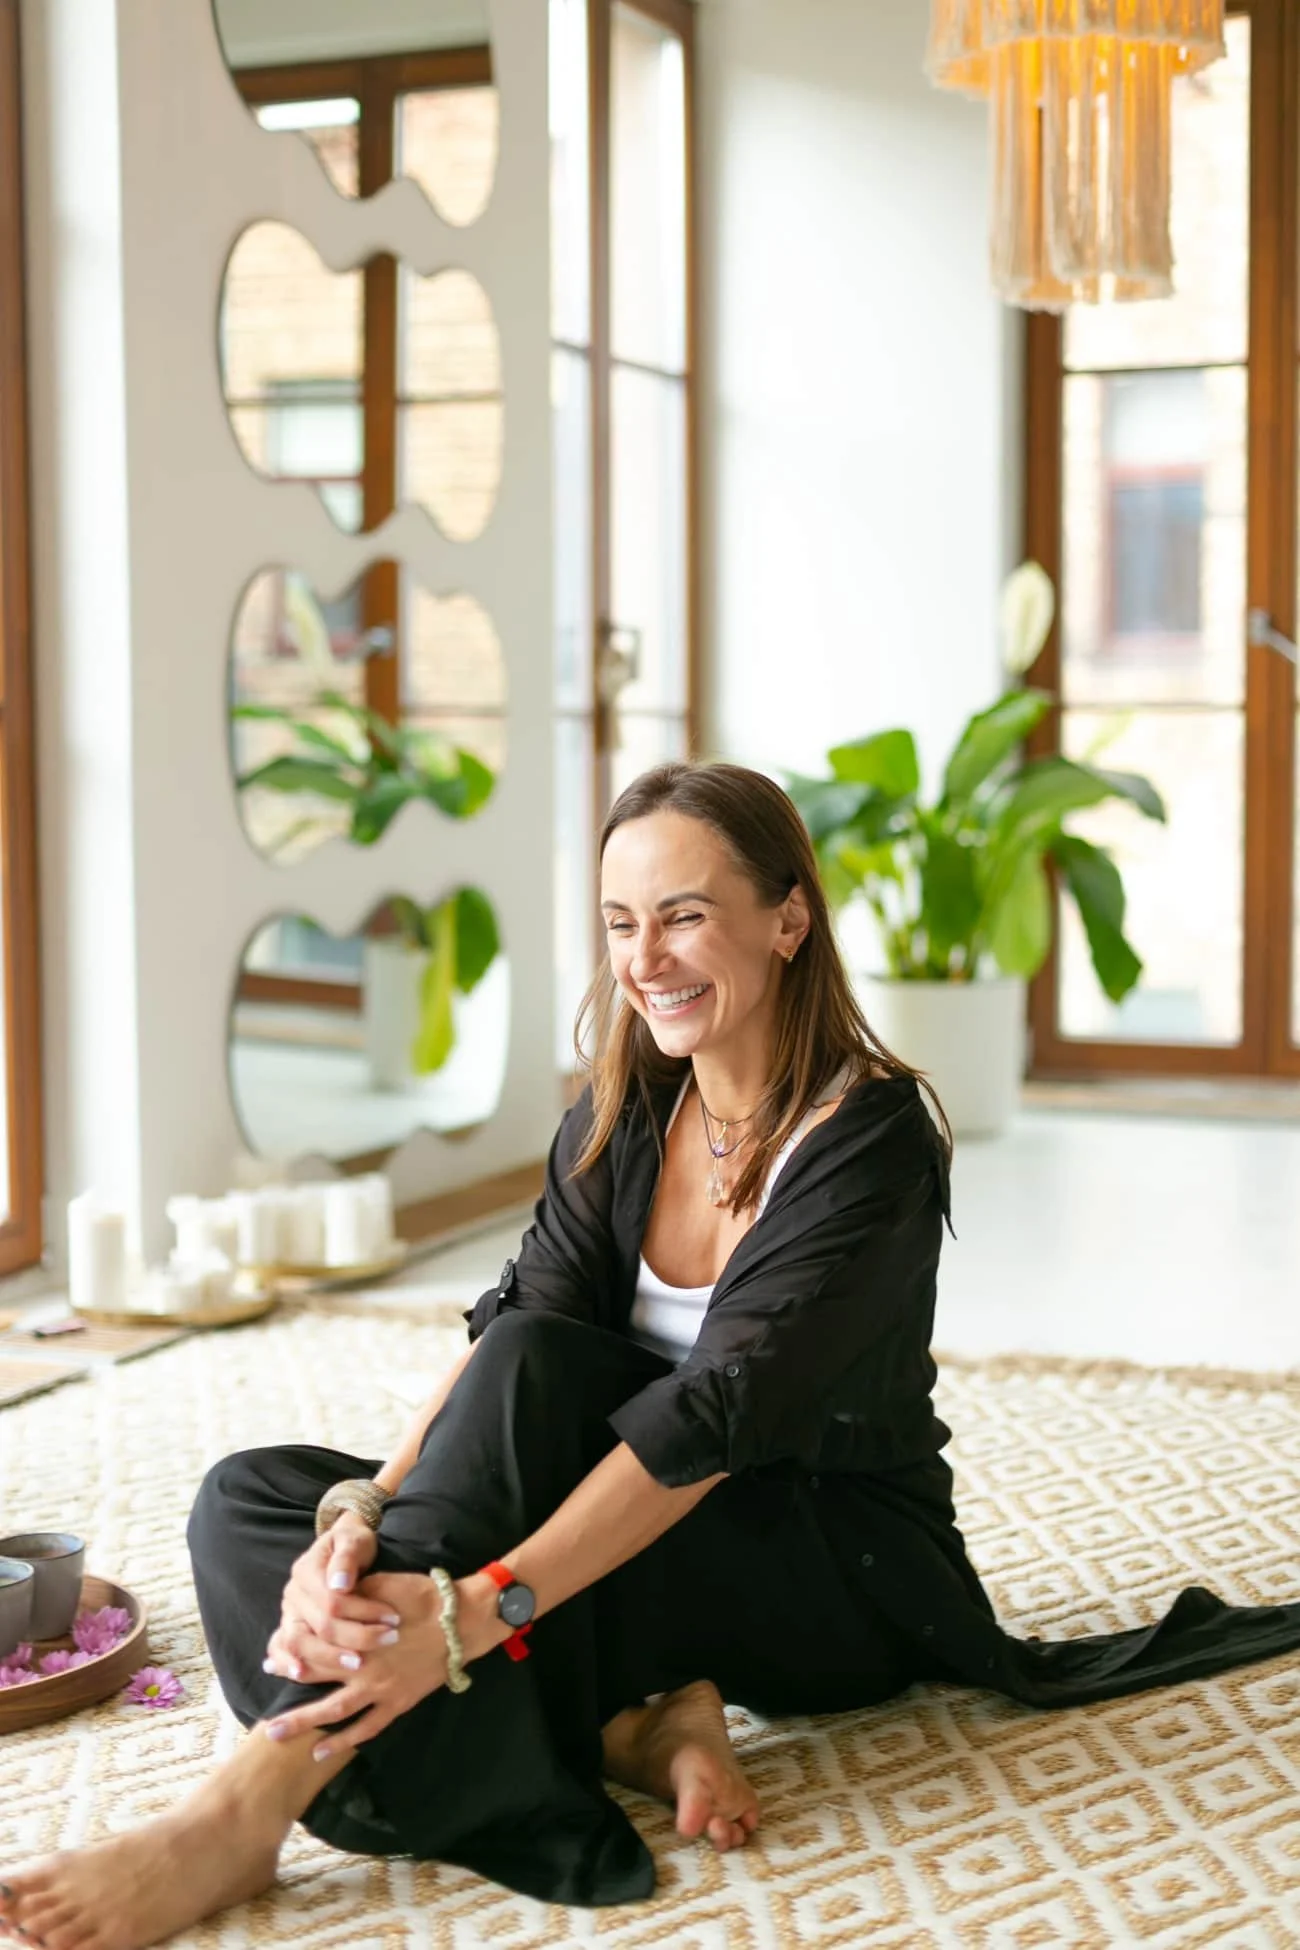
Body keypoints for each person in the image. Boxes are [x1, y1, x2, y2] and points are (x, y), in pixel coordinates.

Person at [3, 760, 1300, 1949]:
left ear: (789, 918)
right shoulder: (625, 1102)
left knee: (543, 1381)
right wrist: (362, 1517)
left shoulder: (875, 1140)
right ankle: (635, 1715)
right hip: (623, 1545)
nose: (646, 958)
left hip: (826, 1569)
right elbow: (509, 1321)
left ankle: (255, 1798)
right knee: (253, 1496)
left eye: (683, 914)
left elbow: (706, 1423)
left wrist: (464, 1612)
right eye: (622, 923)